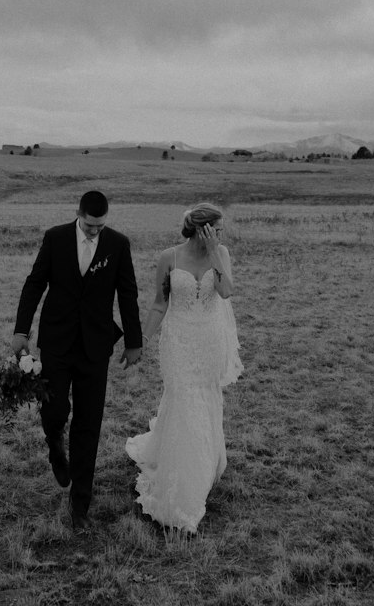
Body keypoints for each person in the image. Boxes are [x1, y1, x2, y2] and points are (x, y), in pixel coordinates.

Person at [13, 190, 143, 529]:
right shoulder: (55, 238)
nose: (94, 231)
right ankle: (54, 442)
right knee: (55, 409)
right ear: (78, 214)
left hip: (96, 347)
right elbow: (35, 283)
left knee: (89, 423)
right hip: (57, 341)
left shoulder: (118, 244)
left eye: (100, 226)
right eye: (89, 225)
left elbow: (127, 292)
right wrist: (21, 330)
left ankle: (80, 505)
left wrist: (134, 341)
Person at [125, 201, 242, 533]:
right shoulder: (169, 258)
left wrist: (217, 255)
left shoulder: (221, 254)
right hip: (177, 341)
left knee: (204, 401)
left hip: (208, 340)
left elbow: (227, 291)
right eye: (217, 229)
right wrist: (142, 339)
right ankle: (184, 487)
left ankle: (203, 467)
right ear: (202, 228)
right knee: (183, 401)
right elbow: (160, 303)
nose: (221, 235)